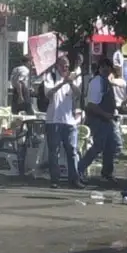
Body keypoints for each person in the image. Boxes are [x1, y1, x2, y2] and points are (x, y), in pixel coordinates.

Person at [77, 60, 123, 184]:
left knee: (112, 145)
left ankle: (107, 173)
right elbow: (91, 104)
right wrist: (105, 114)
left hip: (108, 119)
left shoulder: (106, 81)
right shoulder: (97, 82)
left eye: (108, 67)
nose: (106, 69)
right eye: (103, 67)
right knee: (99, 146)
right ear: (99, 68)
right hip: (98, 119)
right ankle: (79, 169)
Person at [43, 55, 83, 189]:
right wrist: (62, 83)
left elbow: (77, 94)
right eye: (62, 65)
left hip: (69, 121)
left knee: (72, 150)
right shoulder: (51, 77)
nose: (65, 68)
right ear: (57, 66)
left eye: (67, 66)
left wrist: (70, 82)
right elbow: (48, 94)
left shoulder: (72, 79)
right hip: (53, 120)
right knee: (54, 151)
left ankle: (74, 179)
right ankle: (55, 179)